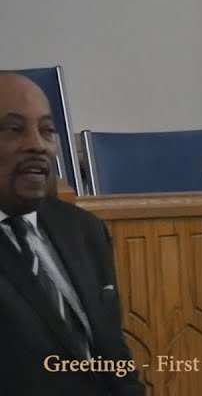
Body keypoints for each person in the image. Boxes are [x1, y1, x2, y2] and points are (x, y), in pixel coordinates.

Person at [0, 72, 146, 395]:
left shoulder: (83, 230)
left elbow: (116, 361)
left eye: (47, 130)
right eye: (13, 129)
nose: (37, 145)